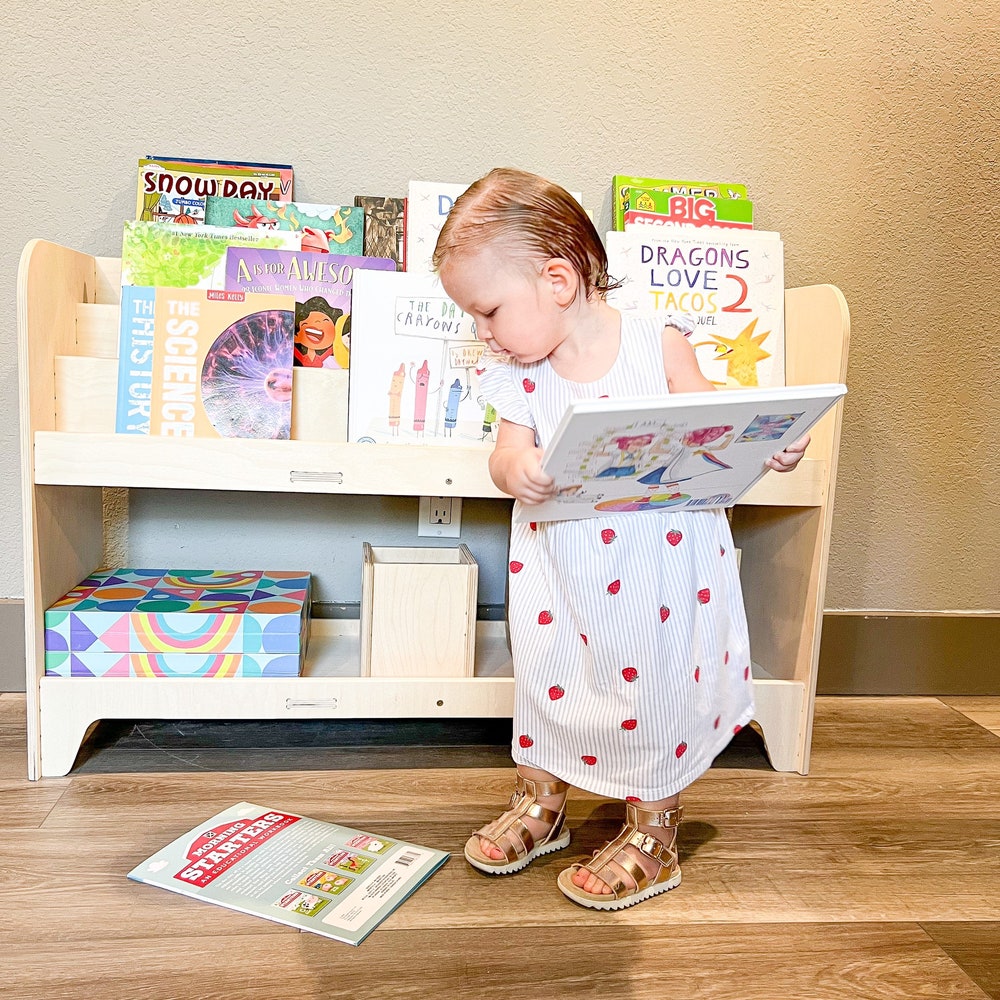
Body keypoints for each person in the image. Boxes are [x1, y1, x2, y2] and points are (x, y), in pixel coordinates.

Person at [433, 168, 808, 911]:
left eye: (488, 311)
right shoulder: (520, 374)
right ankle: (543, 800)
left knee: (655, 682)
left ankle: (654, 825)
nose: (481, 332)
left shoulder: (653, 341)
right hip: (563, 568)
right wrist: (520, 469)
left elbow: (713, 422)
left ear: (558, 279)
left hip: (658, 570)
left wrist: (767, 444)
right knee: (552, 678)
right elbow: (504, 453)